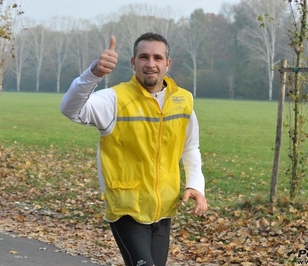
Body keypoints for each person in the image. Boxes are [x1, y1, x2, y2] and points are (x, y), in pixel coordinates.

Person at [60, 32, 207, 266]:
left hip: (164, 208)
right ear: (133, 62)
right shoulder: (114, 99)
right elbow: (70, 109)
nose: (151, 64)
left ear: (167, 64)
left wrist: (195, 185)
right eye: (143, 57)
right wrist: (94, 73)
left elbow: (190, 147)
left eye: (158, 58)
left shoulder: (183, 100)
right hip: (126, 208)